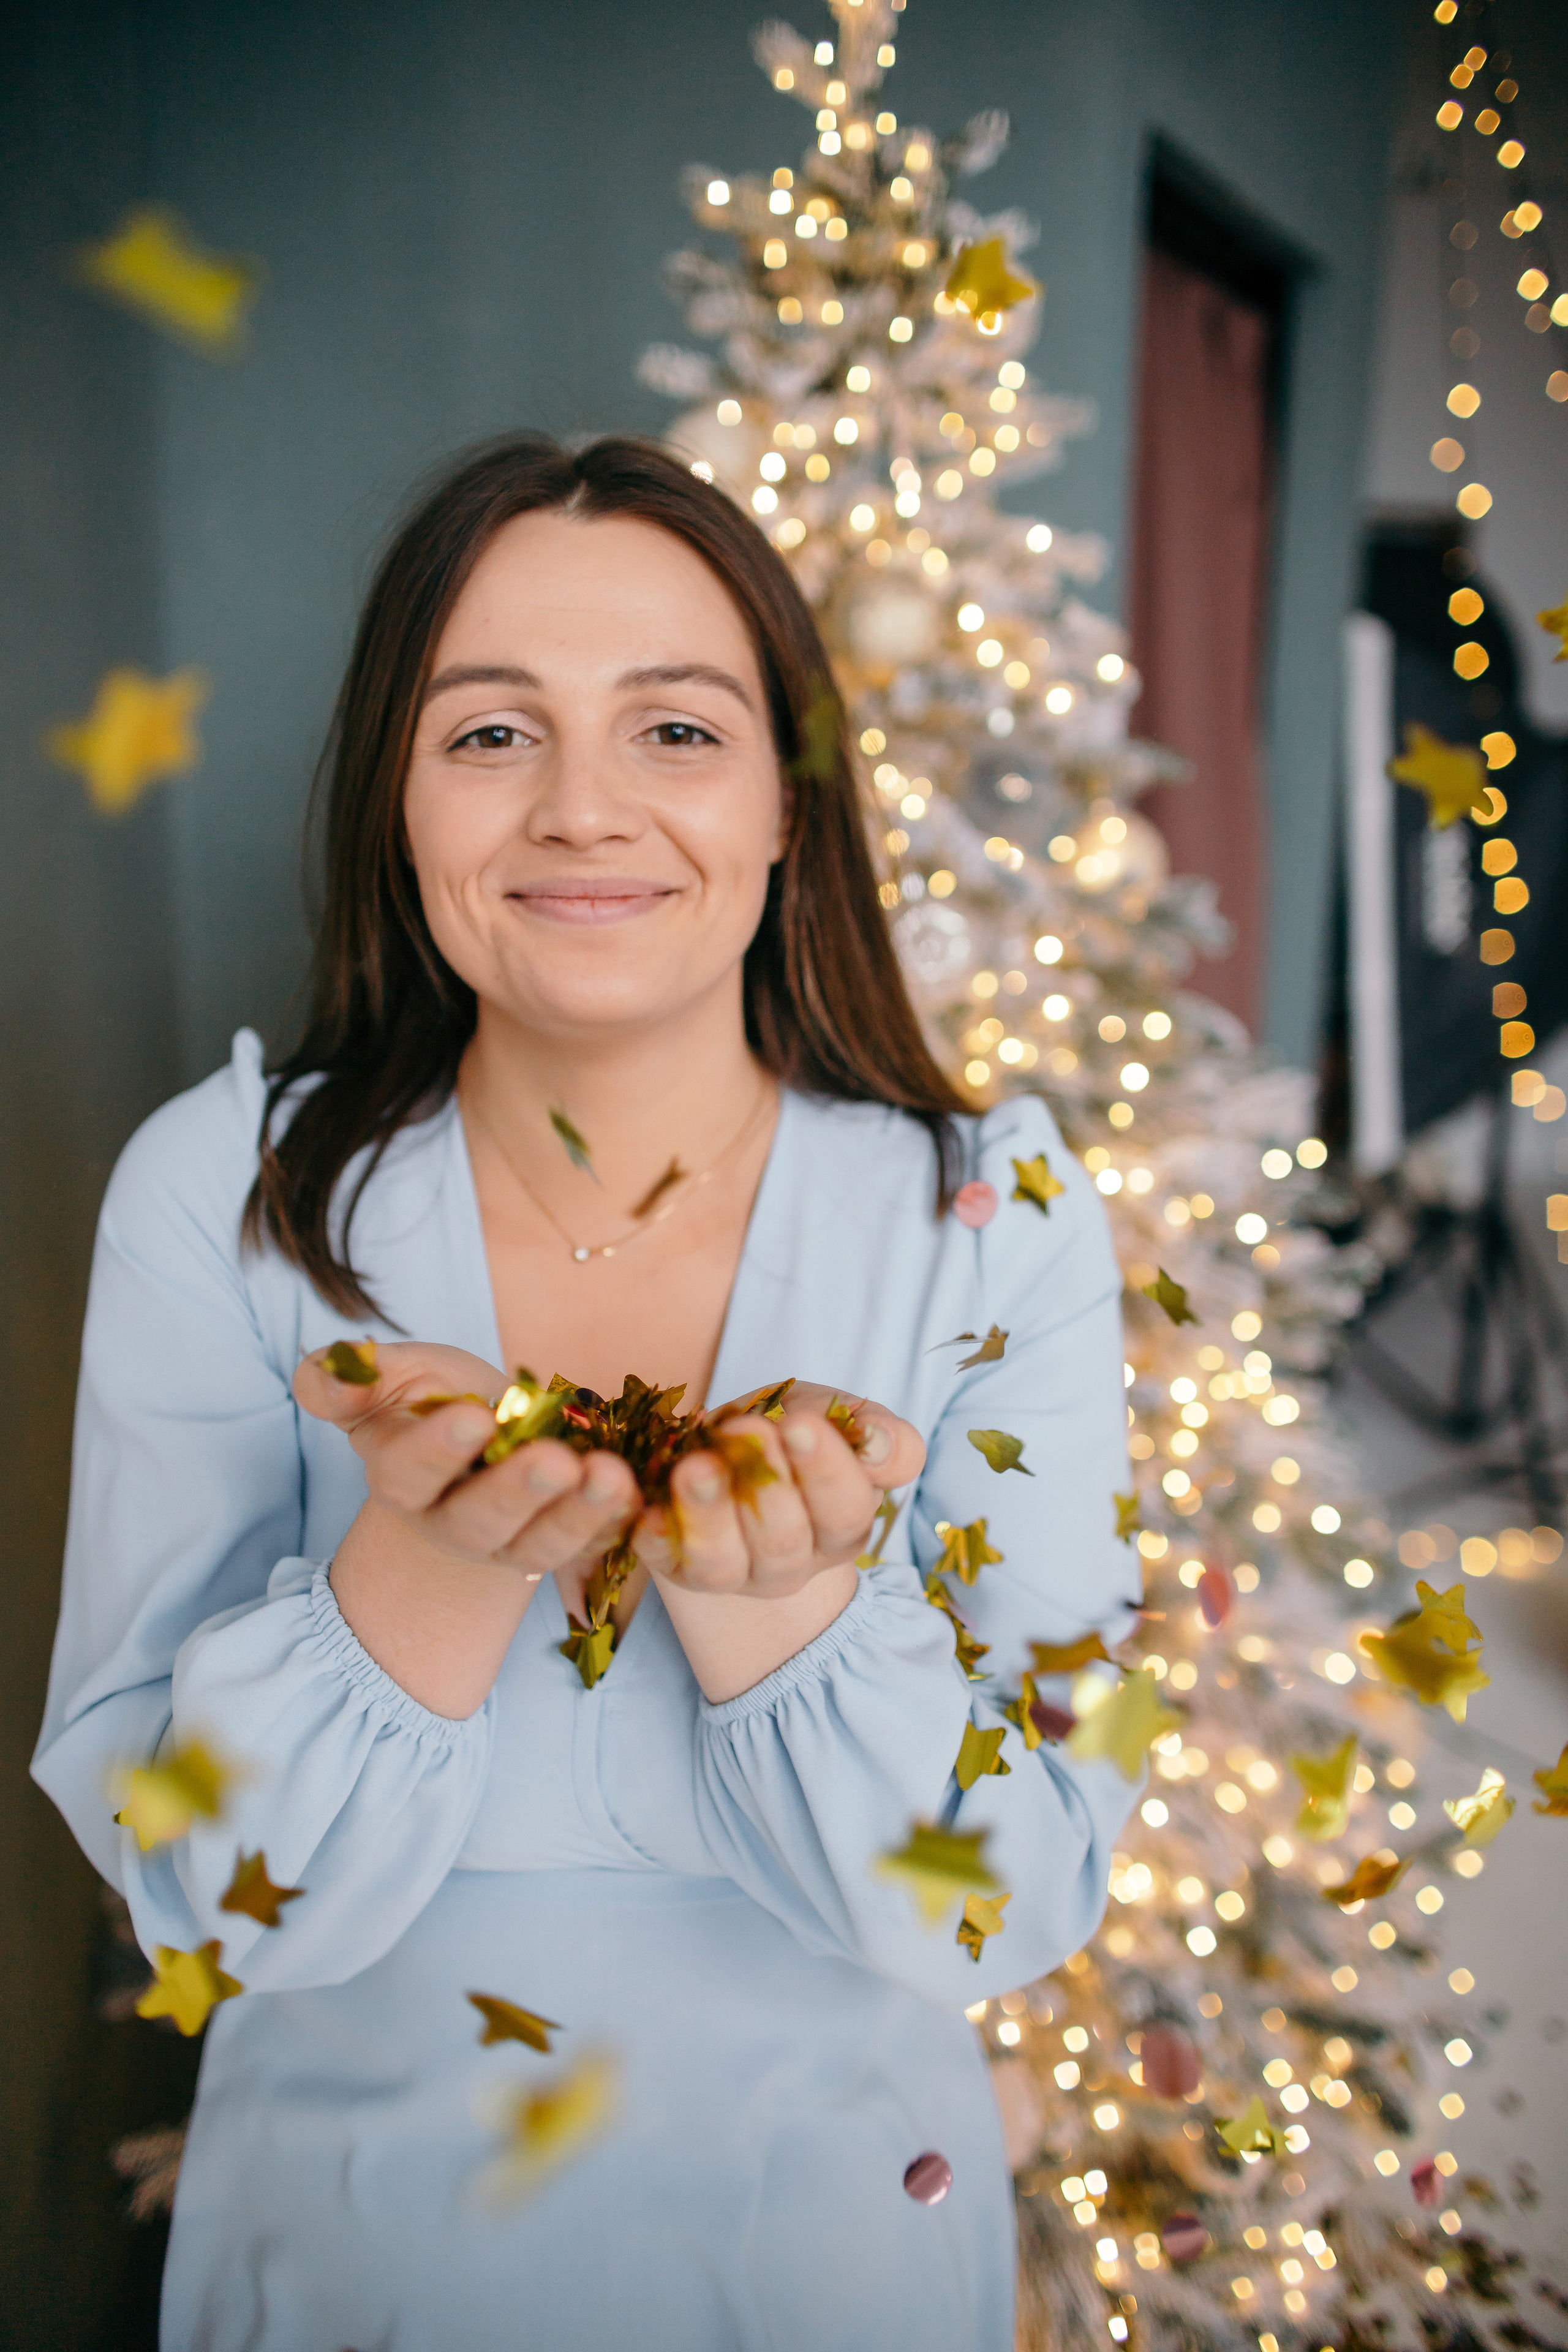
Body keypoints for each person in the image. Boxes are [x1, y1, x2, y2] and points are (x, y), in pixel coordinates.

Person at [34, 435, 1140, 2351]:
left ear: (795, 804)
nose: (580, 811)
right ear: (398, 793)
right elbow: (194, 1912)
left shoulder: (992, 1220)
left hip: (837, 2281)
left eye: (678, 731)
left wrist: (783, 1603)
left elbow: (1011, 1904)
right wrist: (425, 1568)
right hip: (353, 2276)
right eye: (487, 735)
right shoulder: (219, 1200)